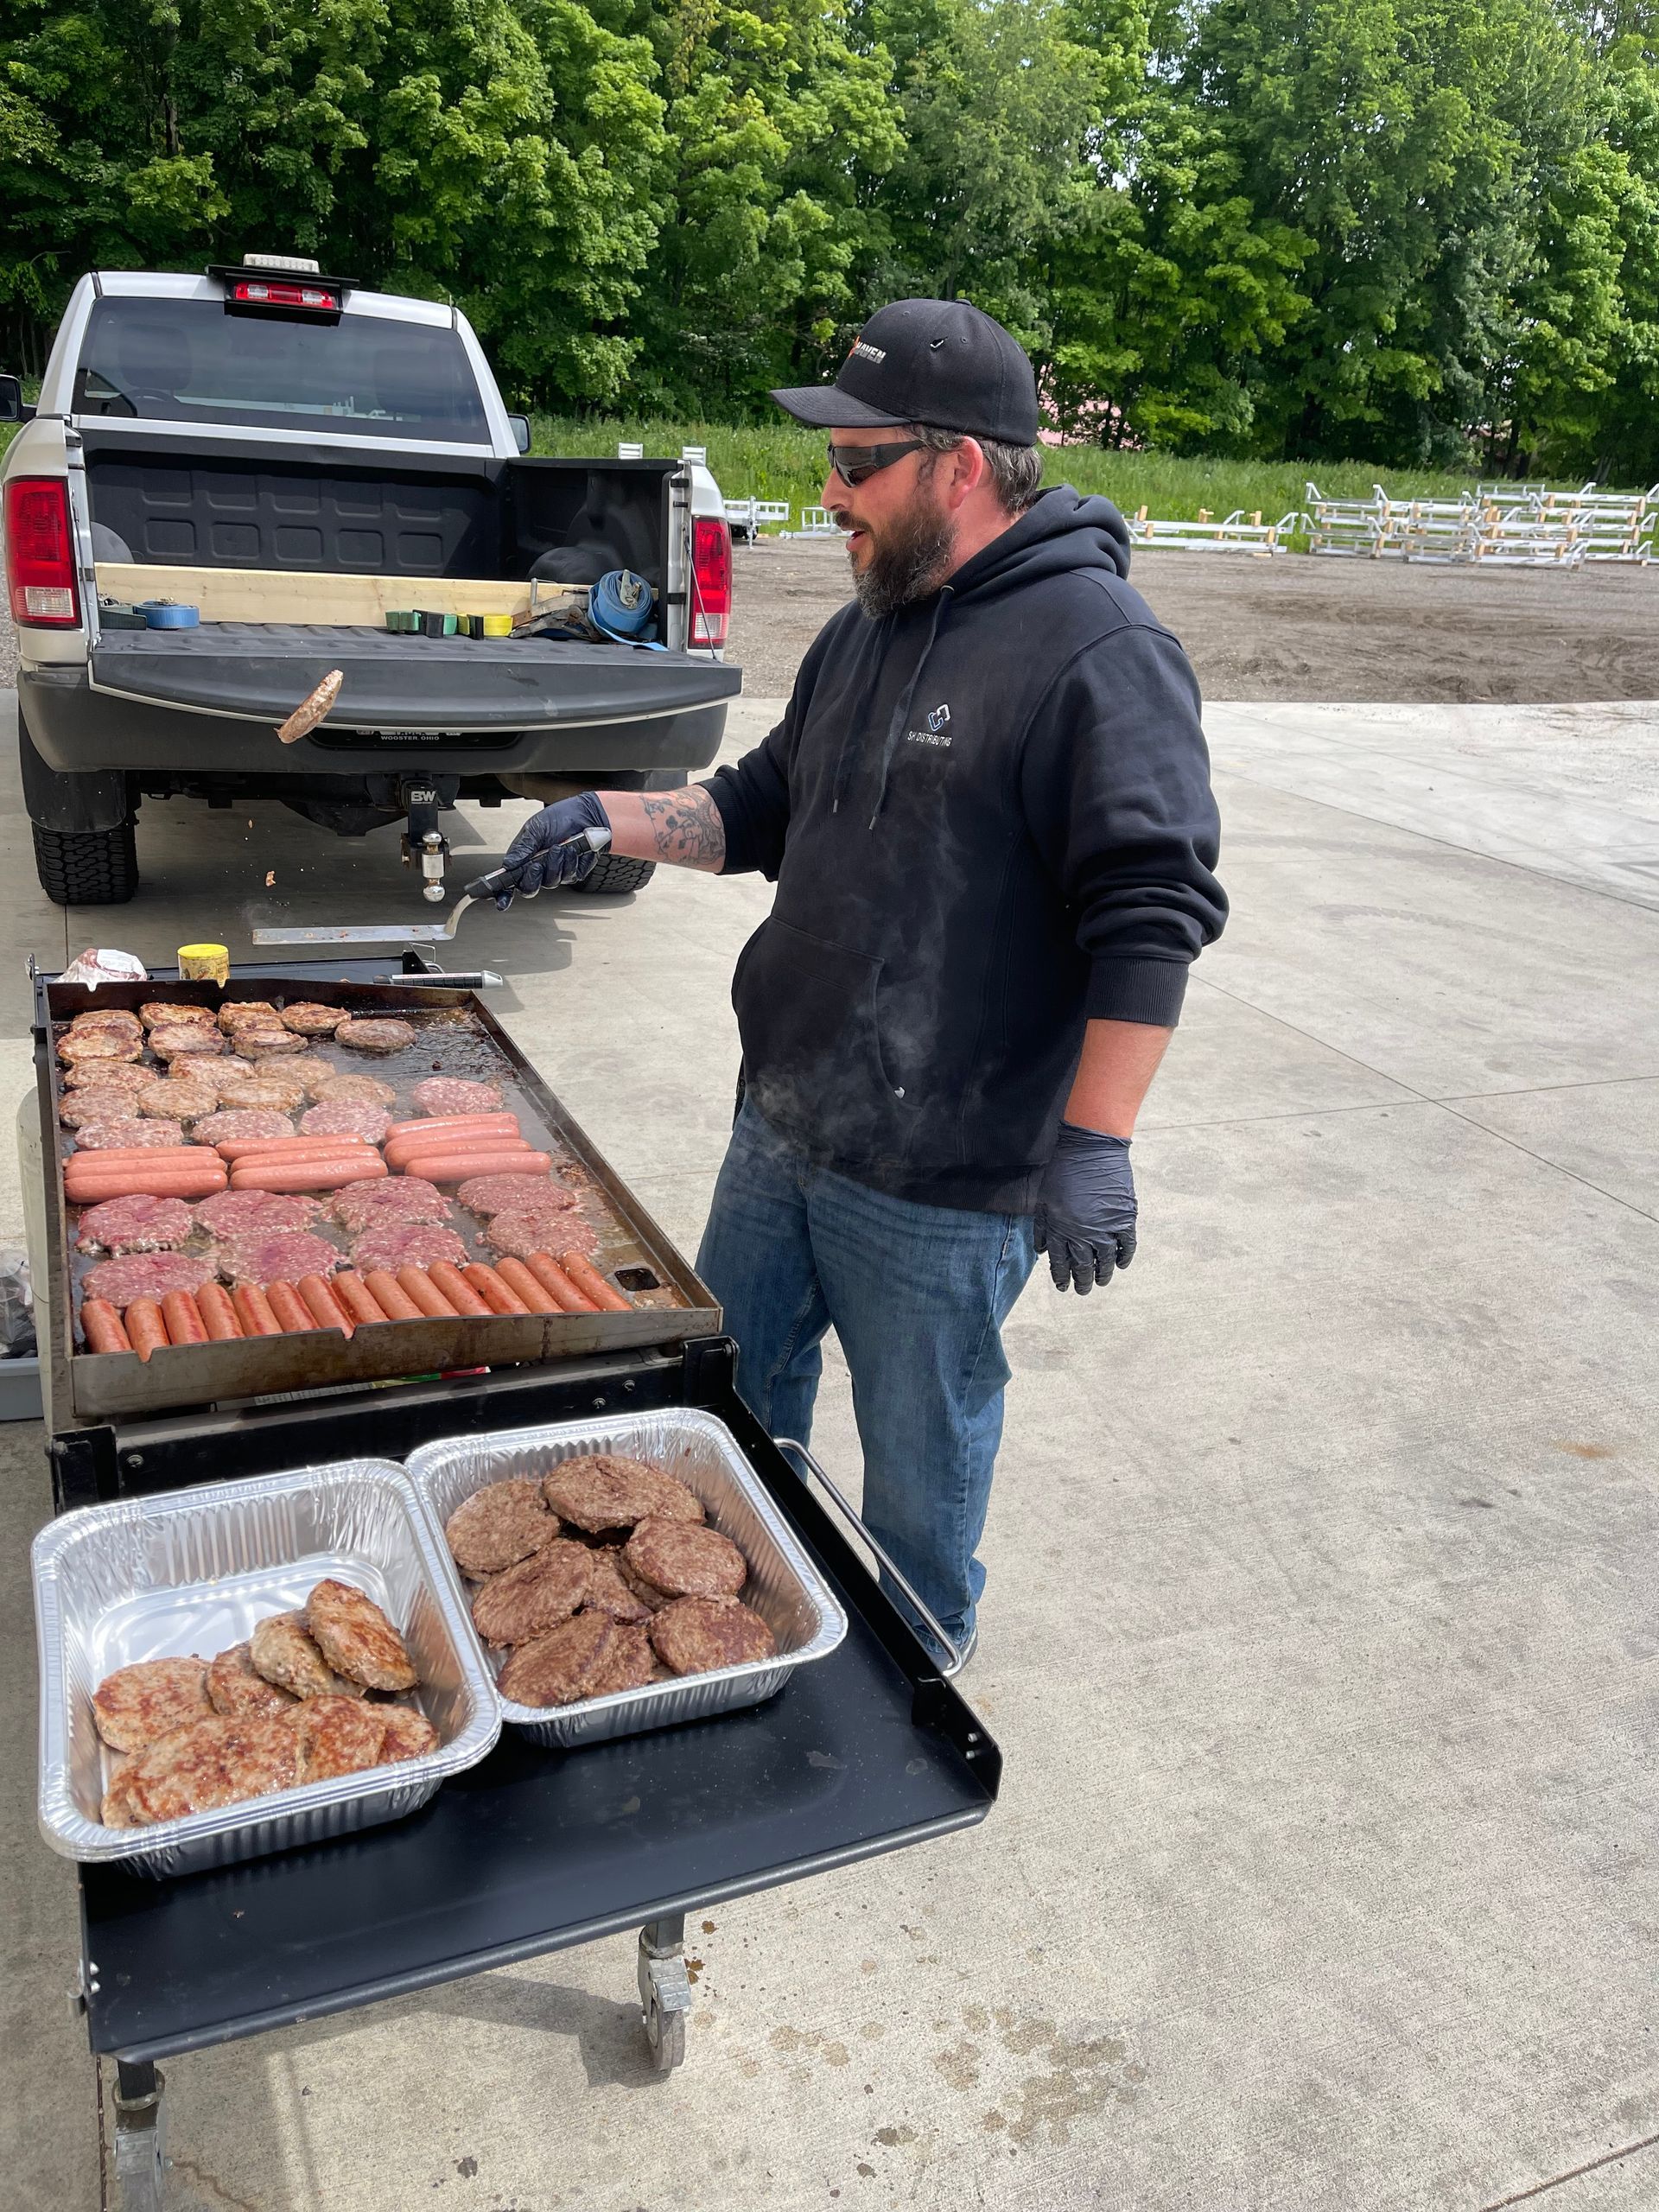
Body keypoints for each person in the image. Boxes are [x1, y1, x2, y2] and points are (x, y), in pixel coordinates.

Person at [497, 299, 1226, 1660]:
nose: (826, 492)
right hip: (782, 1130)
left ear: (959, 465)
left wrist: (1097, 1141)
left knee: (917, 1466)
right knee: (724, 1422)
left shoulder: (1100, 652)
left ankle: (914, 1665)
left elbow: (1153, 910)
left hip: (947, 1183)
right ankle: (729, 1630)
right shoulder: (869, 627)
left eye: (858, 463)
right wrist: (608, 815)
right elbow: (763, 804)